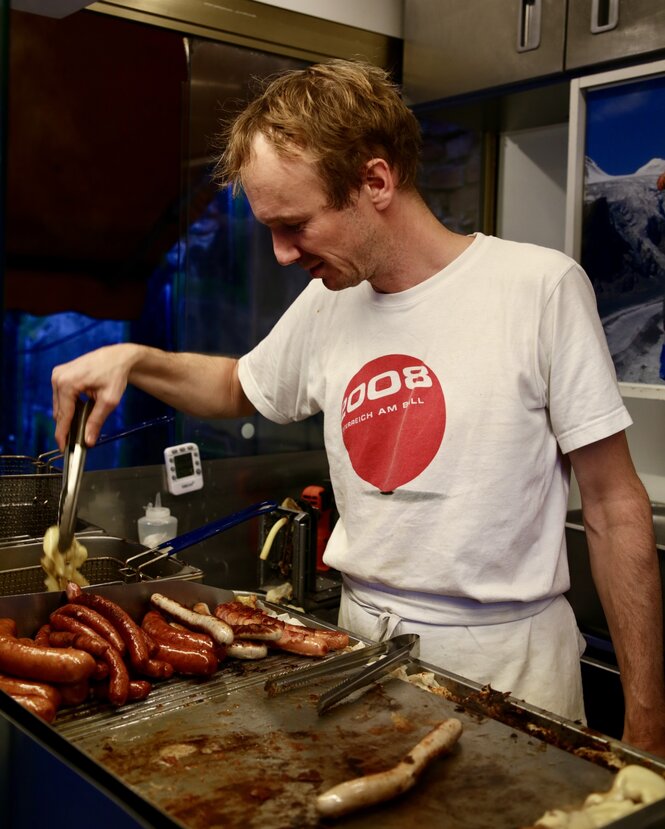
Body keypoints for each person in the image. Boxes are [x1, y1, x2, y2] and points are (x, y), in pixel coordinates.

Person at [51, 59, 665, 756]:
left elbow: (615, 505)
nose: (281, 255)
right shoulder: (329, 301)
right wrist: (134, 358)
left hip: (509, 666)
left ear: (376, 180)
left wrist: (647, 723)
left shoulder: (537, 288)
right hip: (357, 653)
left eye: (296, 225)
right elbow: (237, 386)